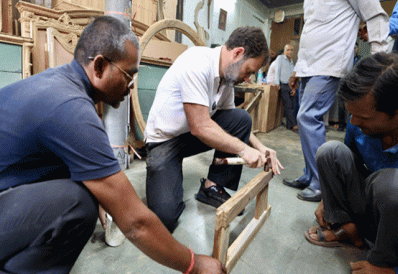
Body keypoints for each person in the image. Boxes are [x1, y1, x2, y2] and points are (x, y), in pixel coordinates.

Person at [0, 16, 226, 274]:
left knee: (86, 191)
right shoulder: (71, 109)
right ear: (99, 66)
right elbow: (136, 224)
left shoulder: (60, 83)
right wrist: (194, 265)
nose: (131, 87)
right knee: (77, 204)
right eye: (129, 75)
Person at [145, 26, 283, 232]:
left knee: (241, 119)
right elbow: (200, 126)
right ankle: (166, 174)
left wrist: (260, 147)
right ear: (237, 53)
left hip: (189, 135)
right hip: (164, 142)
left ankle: (212, 187)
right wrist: (244, 150)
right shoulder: (197, 63)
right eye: (249, 71)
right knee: (165, 218)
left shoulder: (227, 76)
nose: (248, 79)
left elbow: (230, 116)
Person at [284, 0, 389, 202]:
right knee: (304, 121)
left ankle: (321, 183)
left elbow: (376, 16)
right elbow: (309, 30)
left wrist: (379, 63)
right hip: (308, 67)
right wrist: (297, 69)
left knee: (308, 118)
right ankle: (309, 174)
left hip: (328, 63)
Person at [305, 52, 398, 274]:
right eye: (352, 114)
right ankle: (349, 230)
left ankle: (383, 261)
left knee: (391, 185)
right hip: (377, 212)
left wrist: (394, 270)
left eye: (364, 117)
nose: (354, 122)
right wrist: (328, 202)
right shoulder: (357, 124)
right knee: (331, 151)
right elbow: (350, 163)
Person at [273, 44, 297, 132]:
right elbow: (277, 71)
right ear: (284, 51)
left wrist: (294, 88)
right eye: (288, 50)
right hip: (283, 85)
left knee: (293, 106)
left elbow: (293, 76)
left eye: (291, 50)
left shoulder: (291, 61)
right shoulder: (280, 58)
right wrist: (277, 83)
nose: (290, 51)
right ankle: (294, 125)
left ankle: (289, 125)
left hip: (291, 86)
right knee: (288, 106)